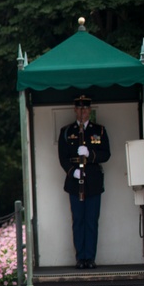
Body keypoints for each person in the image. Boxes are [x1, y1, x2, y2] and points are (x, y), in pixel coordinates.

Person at [58, 94, 110, 269]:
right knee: (78, 219)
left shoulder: (99, 130)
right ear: (75, 110)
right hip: (75, 182)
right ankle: (80, 257)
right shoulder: (67, 131)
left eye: (85, 108)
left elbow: (106, 154)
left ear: (89, 110)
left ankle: (90, 257)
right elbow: (62, 157)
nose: (82, 112)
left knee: (92, 220)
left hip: (93, 181)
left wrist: (90, 154)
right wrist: (72, 172)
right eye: (79, 109)